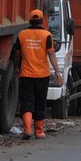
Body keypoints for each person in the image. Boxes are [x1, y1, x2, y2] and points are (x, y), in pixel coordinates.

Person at [13, 9, 62, 140]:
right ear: (41, 21)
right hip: (42, 75)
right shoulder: (47, 35)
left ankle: (27, 129)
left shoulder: (22, 34)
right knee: (40, 102)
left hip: (26, 75)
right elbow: (51, 53)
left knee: (26, 102)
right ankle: (39, 132)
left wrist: (16, 68)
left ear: (30, 21)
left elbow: (17, 54)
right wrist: (57, 71)